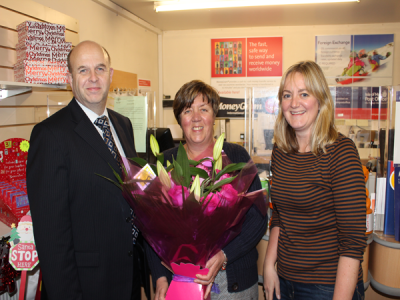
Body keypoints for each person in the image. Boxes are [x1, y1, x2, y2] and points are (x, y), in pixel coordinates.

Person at [27, 41, 143, 300]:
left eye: (100, 68)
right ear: (70, 79)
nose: (93, 78)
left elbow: (133, 187)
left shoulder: (123, 125)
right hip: (86, 286)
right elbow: (51, 238)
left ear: (110, 75)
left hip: (129, 278)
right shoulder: (50, 136)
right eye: (83, 70)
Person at [145, 80, 268, 300]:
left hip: (233, 281)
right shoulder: (164, 163)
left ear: (214, 115)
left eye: (204, 109)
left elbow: (257, 219)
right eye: (187, 110)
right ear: (179, 119)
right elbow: (149, 227)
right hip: (180, 281)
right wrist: (160, 277)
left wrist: (224, 255)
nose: (196, 118)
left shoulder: (237, 156)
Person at [263, 61, 367, 300]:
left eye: (304, 94)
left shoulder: (341, 151)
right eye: (287, 95)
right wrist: (269, 265)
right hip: (285, 280)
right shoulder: (281, 150)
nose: (294, 103)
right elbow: (279, 215)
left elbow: (352, 242)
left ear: (320, 100)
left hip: (328, 286)